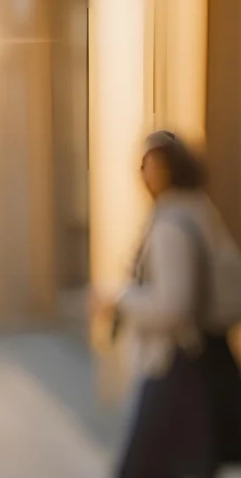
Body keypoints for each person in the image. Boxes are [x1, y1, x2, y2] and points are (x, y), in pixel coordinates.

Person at [93, 130, 241, 478]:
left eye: (157, 166)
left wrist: (118, 299)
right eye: (145, 165)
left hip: (174, 365)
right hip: (198, 360)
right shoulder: (198, 208)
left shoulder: (172, 224)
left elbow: (174, 306)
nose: (148, 174)